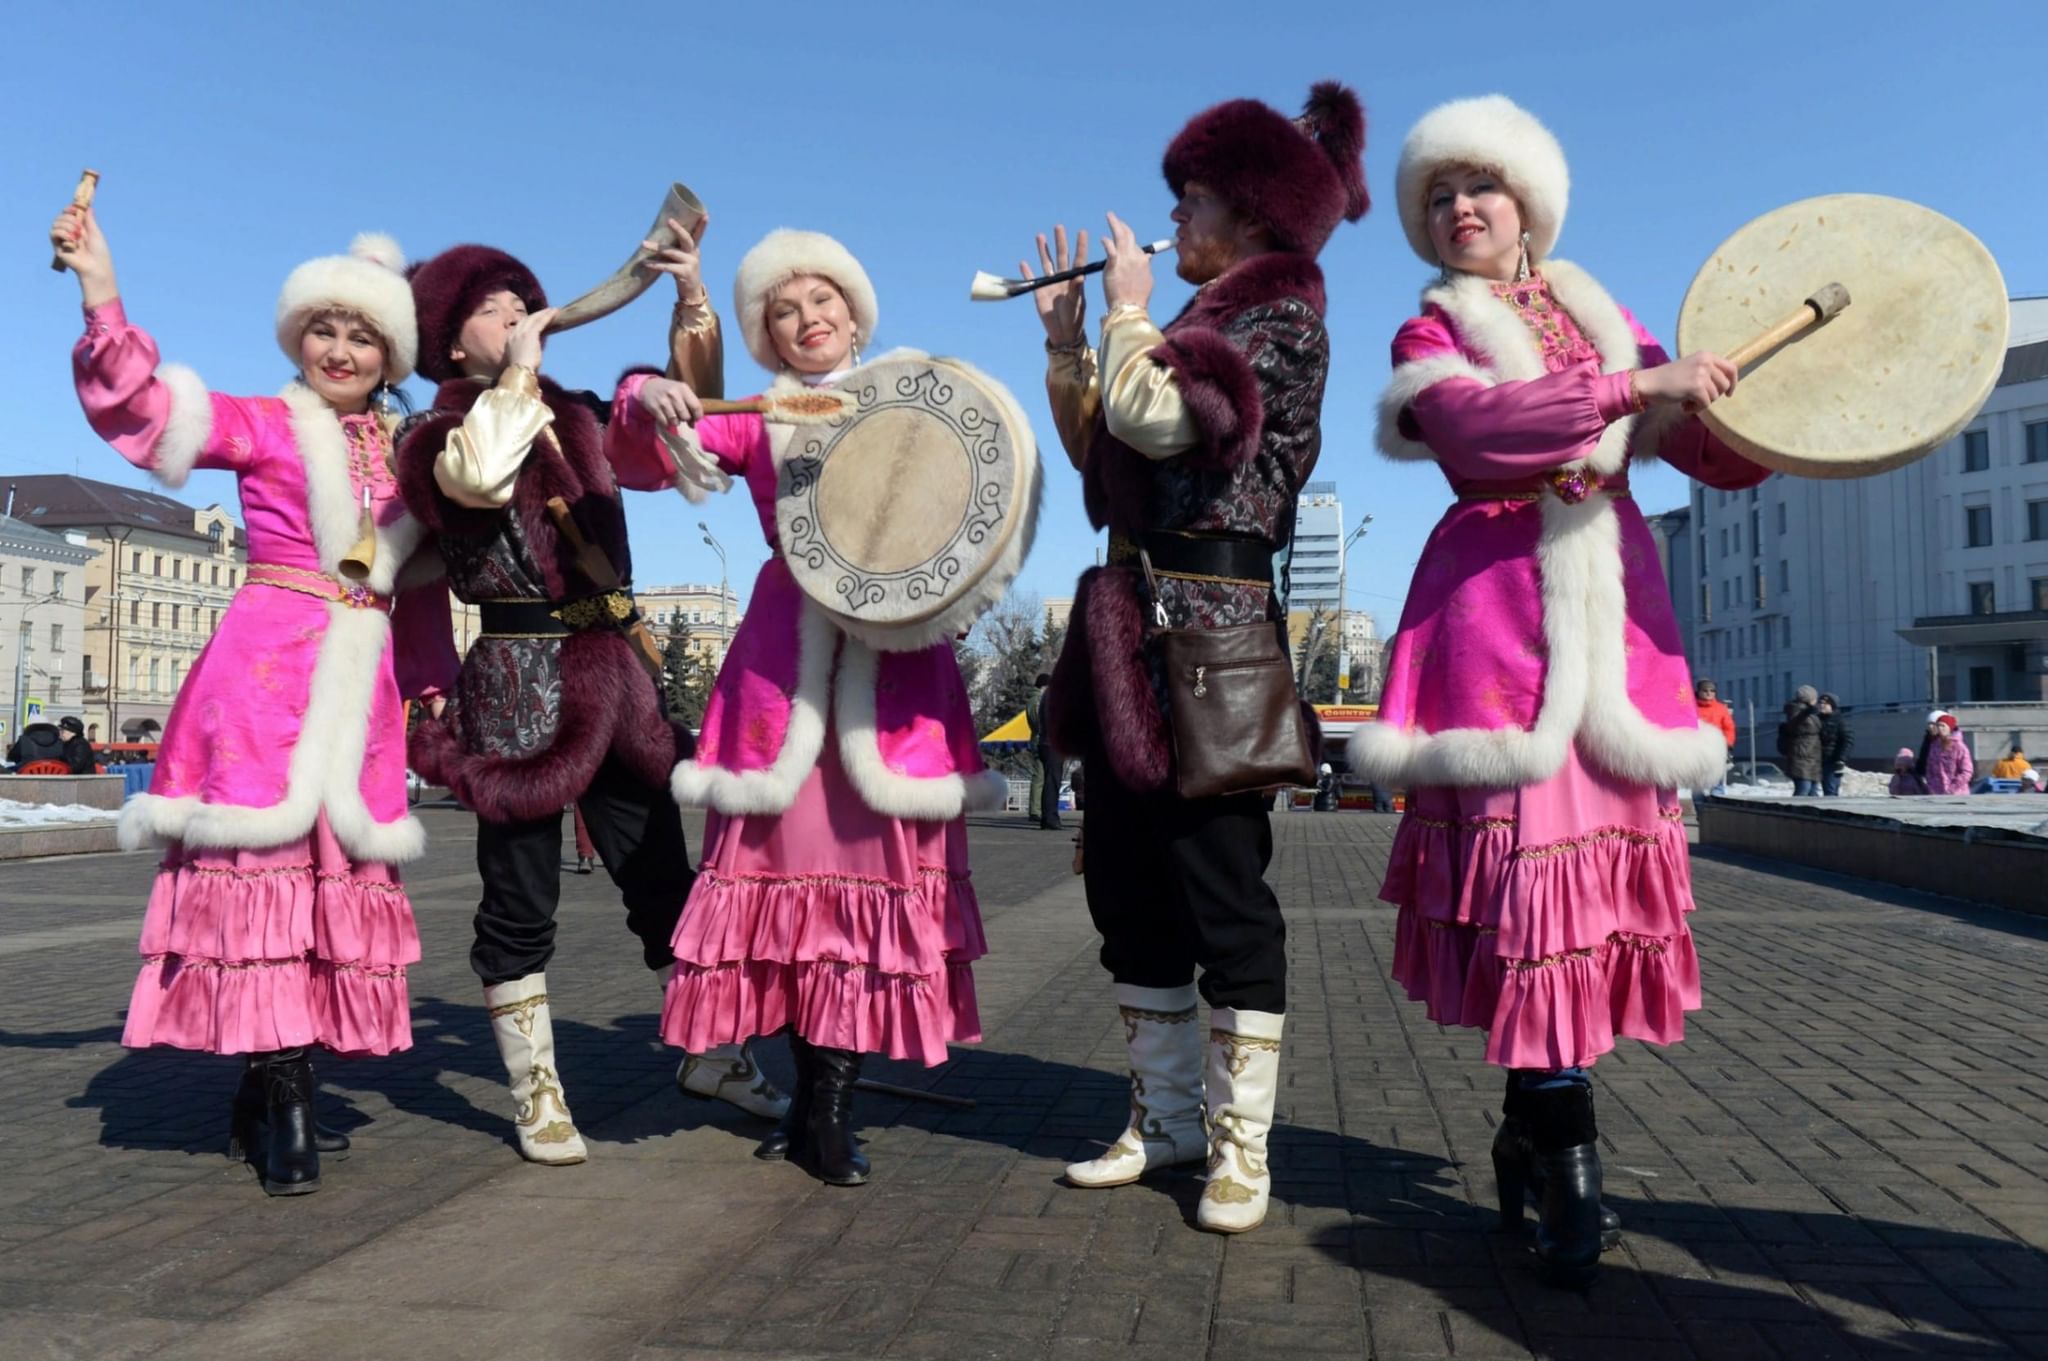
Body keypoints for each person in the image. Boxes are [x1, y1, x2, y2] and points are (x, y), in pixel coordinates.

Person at [1347, 96, 1772, 1287]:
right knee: (1528, 905)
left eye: (1478, 186)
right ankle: (1569, 1157)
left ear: (1525, 202)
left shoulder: (1604, 311)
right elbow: (1480, 439)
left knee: (1574, 919)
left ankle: (1527, 1129)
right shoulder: (1425, 334)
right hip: (1493, 632)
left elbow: (1710, 449)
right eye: (1437, 196)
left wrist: (1764, 412)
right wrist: (1636, 392)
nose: (1458, 208)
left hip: (1616, 631)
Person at [1026, 82, 1368, 1234]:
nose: (1169, 225)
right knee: (1126, 887)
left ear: (1256, 217)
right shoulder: (1194, 327)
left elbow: (1171, 424)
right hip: (1127, 619)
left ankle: (1237, 1146)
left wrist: (1124, 314)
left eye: (1191, 203)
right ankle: (1165, 1116)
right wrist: (1076, 349)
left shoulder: (1278, 321)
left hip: (1212, 627)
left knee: (1224, 891)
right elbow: (1105, 462)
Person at [55, 202, 440, 1197]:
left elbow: (439, 571)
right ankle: (283, 1092)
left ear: (391, 352)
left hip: (359, 684)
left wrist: (435, 687)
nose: (340, 347)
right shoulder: (267, 423)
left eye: (362, 333)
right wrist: (102, 286)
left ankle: (274, 1079)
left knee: (322, 893)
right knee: (262, 880)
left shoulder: (412, 456)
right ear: (297, 337)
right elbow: (144, 414)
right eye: (324, 327)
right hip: (264, 673)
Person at [622, 228, 1005, 1187]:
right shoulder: (759, 413)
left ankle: (828, 1108)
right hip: (781, 677)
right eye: (783, 312)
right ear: (765, 332)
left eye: (820, 302)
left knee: (869, 902)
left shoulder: (915, 397)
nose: (806, 321)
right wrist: (649, 390)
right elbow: (653, 449)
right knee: (791, 902)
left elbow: (973, 511)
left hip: (897, 669)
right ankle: (809, 1100)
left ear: (853, 311)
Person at [396, 242, 785, 1167]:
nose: (523, 316)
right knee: (521, 899)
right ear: (451, 345)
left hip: (613, 674)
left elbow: (685, 458)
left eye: (526, 304)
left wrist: (668, 349)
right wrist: (520, 378)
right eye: (497, 310)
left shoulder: (577, 416)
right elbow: (481, 476)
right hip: (519, 678)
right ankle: (536, 1088)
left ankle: (708, 1051)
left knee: (664, 883)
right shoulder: (435, 434)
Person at [1031, 672, 1063, 830]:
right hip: (1052, 744)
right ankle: (1050, 818)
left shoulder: (1047, 695)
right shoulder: (1055, 696)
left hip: (1045, 743)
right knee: (1052, 782)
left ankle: (1047, 817)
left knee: (1048, 782)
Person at [1778, 686, 1823, 796]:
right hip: (1802, 755)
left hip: (1813, 756)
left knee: (1813, 791)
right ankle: (1794, 810)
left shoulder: (1810, 713)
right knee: (1804, 789)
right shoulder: (1796, 710)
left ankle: (1811, 812)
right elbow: (1795, 723)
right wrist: (1807, 712)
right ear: (1810, 699)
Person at [1917, 711, 1974, 795]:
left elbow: (1967, 771)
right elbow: (1929, 768)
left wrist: (1952, 788)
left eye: (1943, 726)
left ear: (1949, 728)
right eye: (1939, 725)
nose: (1940, 728)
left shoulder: (1959, 747)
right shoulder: (1934, 745)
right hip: (1936, 793)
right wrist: (1931, 786)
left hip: (1957, 795)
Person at [1694, 680, 1735, 796]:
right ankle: (1699, 799)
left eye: (1712, 691)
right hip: (1698, 748)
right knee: (1698, 777)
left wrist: (1728, 743)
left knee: (1718, 773)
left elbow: (1729, 727)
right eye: (1705, 690)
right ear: (1698, 691)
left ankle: (1718, 796)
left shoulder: (1721, 708)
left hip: (1717, 747)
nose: (1709, 693)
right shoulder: (1691, 708)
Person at [6, 719, 92, 773]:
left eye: (63, 731)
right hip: (56, 773)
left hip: (29, 773)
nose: (61, 733)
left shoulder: (80, 744)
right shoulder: (60, 741)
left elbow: (12, 757)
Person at [1817, 694, 1852, 797]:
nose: (1821, 705)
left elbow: (1847, 740)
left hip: (1832, 761)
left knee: (1830, 791)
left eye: (1825, 703)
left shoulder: (1840, 721)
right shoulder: (1816, 719)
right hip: (1817, 760)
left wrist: (1841, 759)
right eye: (1820, 702)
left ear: (1833, 705)